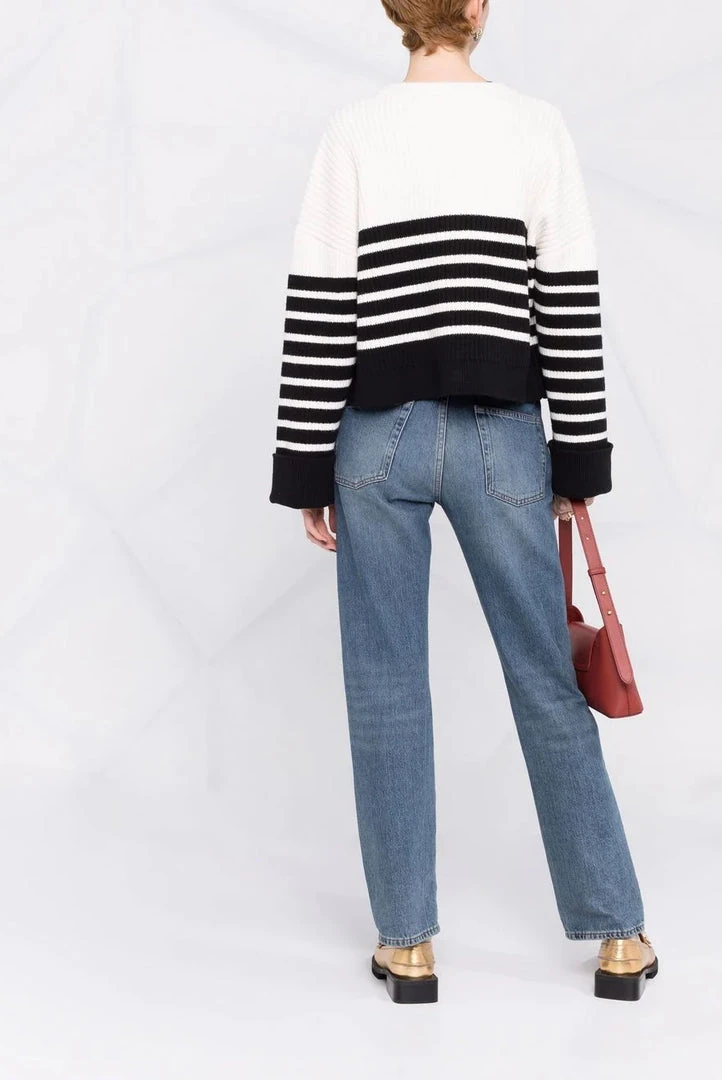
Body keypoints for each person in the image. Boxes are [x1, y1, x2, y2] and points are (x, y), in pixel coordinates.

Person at [268, 0, 657, 1004]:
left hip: (376, 437)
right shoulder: (535, 126)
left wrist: (304, 467)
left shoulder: (355, 130)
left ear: (396, 11)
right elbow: (568, 301)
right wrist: (579, 461)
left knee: (386, 688)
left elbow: (320, 301)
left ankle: (408, 946)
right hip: (502, 437)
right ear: (477, 8)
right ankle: (618, 938)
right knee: (545, 678)